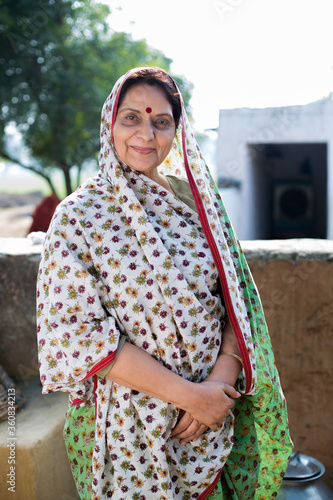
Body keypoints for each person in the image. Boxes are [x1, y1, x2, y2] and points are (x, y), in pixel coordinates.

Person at [37, 67, 292, 500]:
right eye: (131, 118)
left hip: (214, 417)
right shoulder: (79, 217)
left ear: (177, 129)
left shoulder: (196, 204)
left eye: (161, 121)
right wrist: (189, 396)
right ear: (109, 124)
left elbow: (235, 296)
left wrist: (220, 382)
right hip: (128, 431)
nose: (146, 134)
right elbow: (77, 335)